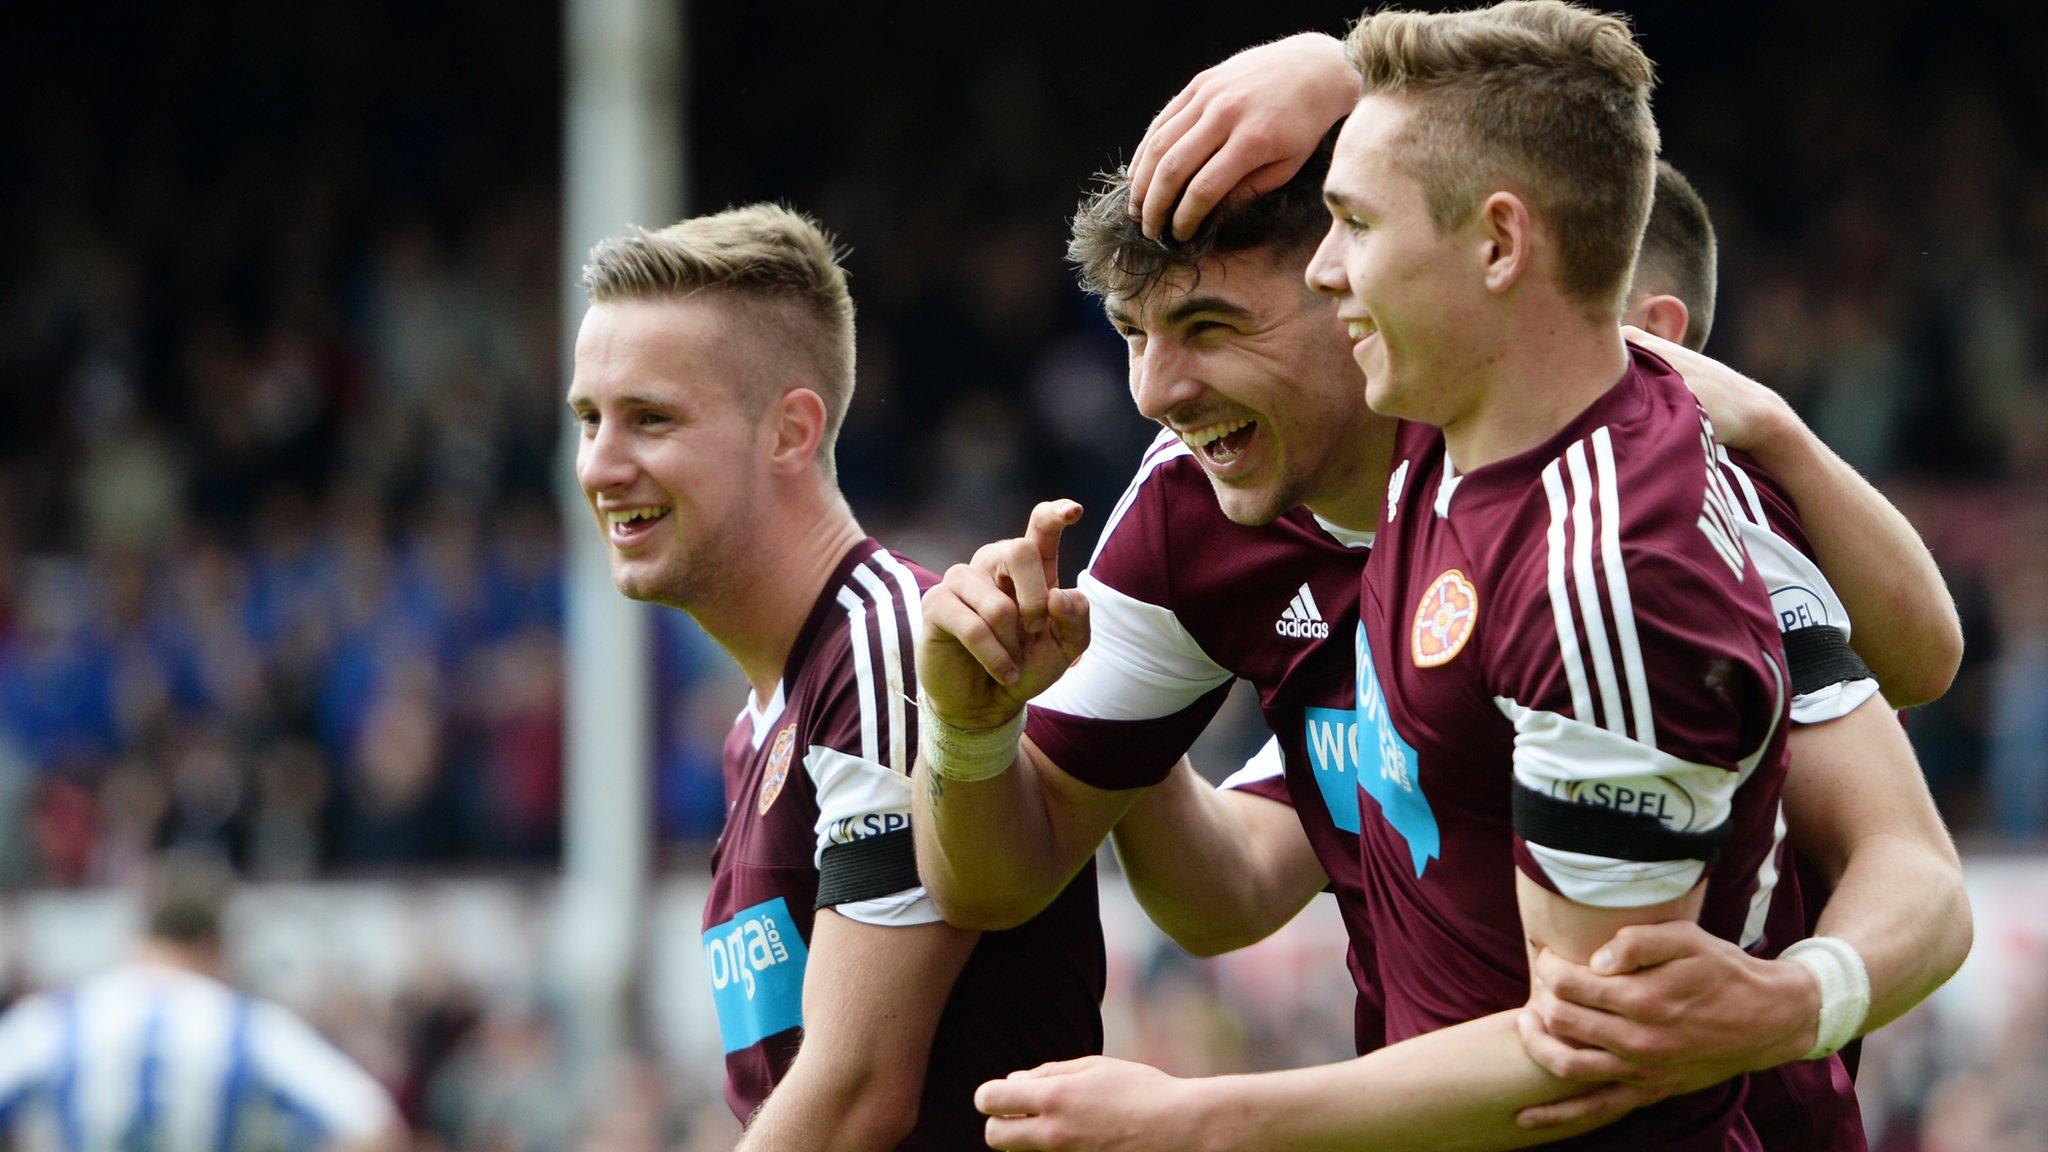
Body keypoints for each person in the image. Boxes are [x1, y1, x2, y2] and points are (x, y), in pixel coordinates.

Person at [913, 5, 1965, 1149]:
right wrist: (981, 733)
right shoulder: (1220, 504)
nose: (1157, 391)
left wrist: (1202, 1122)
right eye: (1130, 334)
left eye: (1209, 324)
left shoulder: (1605, 511)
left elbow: (1909, 770)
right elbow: (1184, 889)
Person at [566, 204, 1101, 1150]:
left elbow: (857, 1094)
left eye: (649, 419)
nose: (601, 465)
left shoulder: (889, 653)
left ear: (790, 432)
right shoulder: (762, 717)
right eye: (589, 419)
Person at [0, 857, 403, 1152]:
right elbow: (375, 1125)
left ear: (139, 936)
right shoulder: (245, 1023)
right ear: (215, 946)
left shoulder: (59, 1017)